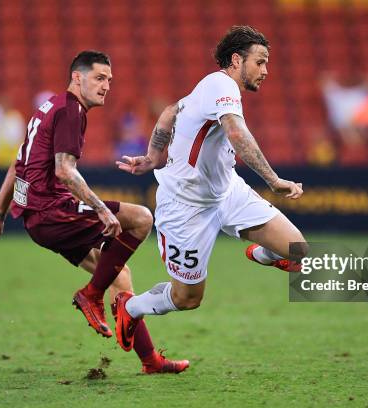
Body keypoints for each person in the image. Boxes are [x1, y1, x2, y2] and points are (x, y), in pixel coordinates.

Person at [0, 50, 188, 374]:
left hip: (38, 217)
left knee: (119, 273)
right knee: (142, 218)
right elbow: (64, 170)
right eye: (99, 78)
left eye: (110, 80)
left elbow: (17, 164)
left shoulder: (48, 107)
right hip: (52, 210)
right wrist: (102, 209)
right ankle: (91, 295)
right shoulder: (71, 111)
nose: (106, 86)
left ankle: (150, 361)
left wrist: (0, 214)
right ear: (78, 77)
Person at [115, 26, 308, 352]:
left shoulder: (208, 89)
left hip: (227, 191)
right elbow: (235, 132)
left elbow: (169, 112)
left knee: (299, 250)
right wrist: (273, 180)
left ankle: (260, 253)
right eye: (260, 62)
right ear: (236, 60)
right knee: (187, 299)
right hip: (184, 207)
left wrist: (152, 155)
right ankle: (130, 308)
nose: (266, 71)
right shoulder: (221, 84)